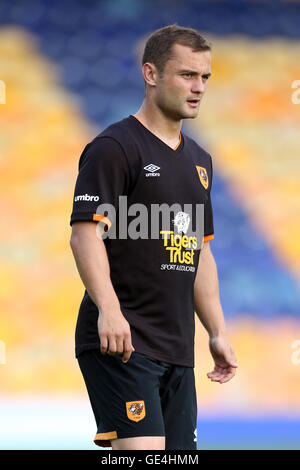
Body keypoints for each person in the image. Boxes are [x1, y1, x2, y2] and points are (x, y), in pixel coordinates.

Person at [69, 24, 238, 451]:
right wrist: (108, 309)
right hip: (122, 341)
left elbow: (198, 252)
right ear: (151, 74)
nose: (198, 87)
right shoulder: (114, 147)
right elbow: (84, 234)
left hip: (178, 349)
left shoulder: (200, 161)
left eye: (205, 77)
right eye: (187, 75)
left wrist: (216, 330)